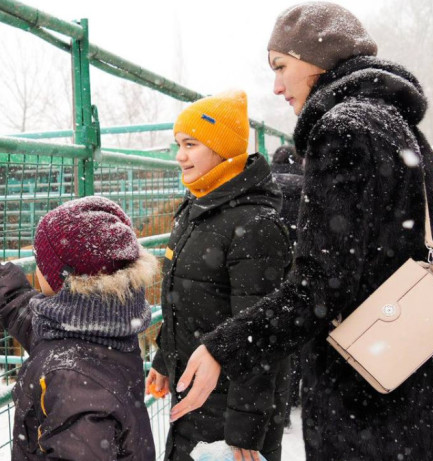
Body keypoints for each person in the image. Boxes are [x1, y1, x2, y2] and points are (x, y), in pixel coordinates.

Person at [170, 3, 433, 461]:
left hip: (365, 401)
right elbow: (431, 251)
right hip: (417, 376)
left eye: (281, 66)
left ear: (316, 58)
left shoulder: (341, 131)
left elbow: (321, 285)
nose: (276, 86)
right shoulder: (401, 127)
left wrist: (223, 347)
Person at [146, 90, 292, 461]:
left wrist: (244, 431)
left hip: (230, 414)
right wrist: (165, 358)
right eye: (178, 144)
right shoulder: (195, 210)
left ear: (221, 149)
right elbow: (184, 301)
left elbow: (262, 334)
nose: (179, 156)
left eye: (190, 144)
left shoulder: (255, 225)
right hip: (195, 395)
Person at [0, 197, 158, 460]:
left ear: (62, 277)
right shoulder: (102, 325)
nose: (37, 269)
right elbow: (24, 311)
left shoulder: (73, 383)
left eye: (39, 262)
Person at [269, 144, 305, 427]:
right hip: (301, 266)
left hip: (272, 266)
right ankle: (295, 392)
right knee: (302, 329)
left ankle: (280, 396)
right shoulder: (308, 186)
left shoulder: (266, 186)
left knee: (276, 329)